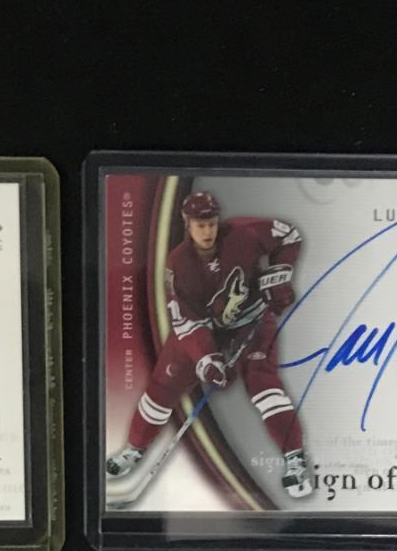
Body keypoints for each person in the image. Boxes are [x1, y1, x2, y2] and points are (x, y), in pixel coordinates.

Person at [106, 189, 314, 500]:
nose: (207, 232)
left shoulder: (245, 232)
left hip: (251, 321)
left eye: (212, 223)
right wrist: (208, 360)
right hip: (202, 329)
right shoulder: (178, 264)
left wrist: (278, 276)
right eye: (200, 225)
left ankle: (295, 459)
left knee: (264, 384)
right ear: (187, 224)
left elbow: (289, 235)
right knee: (163, 385)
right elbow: (188, 323)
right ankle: (134, 448)